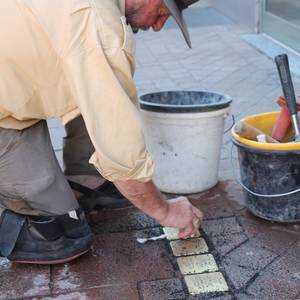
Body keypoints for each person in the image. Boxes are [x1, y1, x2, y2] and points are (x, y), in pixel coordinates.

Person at [0, 0, 202, 264]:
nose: (158, 26)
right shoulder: (97, 23)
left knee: (107, 90)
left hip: (12, 99)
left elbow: (110, 102)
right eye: (163, 12)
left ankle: (87, 180)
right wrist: (164, 210)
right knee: (58, 235)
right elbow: (121, 150)